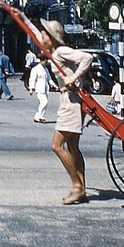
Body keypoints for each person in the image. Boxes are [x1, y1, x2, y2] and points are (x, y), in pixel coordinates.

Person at [37, 18, 93, 205]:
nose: (42, 35)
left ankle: (77, 186)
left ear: (52, 38)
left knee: (57, 145)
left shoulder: (60, 51)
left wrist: (74, 77)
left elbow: (87, 58)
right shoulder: (54, 52)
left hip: (71, 102)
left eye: (45, 33)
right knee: (73, 147)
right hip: (69, 100)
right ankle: (81, 188)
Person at [28, 53, 54, 123]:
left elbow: (49, 79)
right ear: (41, 61)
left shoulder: (46, 69)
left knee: (44, 103)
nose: (46, 63)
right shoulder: (35, 69)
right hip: (39, 89)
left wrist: (54, 85)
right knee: (44, 102)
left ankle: (39, 116)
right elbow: (32, 79)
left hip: (45, 89)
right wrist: (31, 88)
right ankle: (39, 116)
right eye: (45, 61)